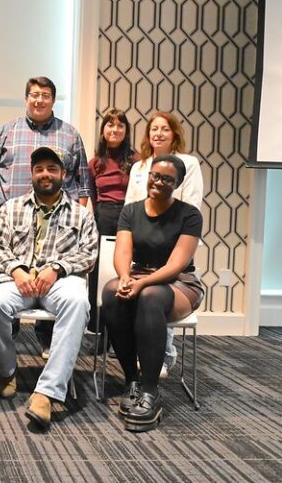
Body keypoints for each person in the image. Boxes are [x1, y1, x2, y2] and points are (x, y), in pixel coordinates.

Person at [0, 147, 97, 429]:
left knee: (78, 301)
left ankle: (47, 392)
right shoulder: (10, 208)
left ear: (63, 174)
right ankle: (7, 371)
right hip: (16, 281)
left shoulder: (81, 214)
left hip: (60, 282)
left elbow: (89, 253)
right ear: (32, 174)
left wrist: (56, 269)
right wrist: (16, 271)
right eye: (40, 169)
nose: (45, 174)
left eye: (52, 169)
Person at [0, 76, 91, 358]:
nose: (39, 100)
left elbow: (82, 180)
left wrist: (78, 214)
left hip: (58, 221)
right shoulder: (6, 130)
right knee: (10, 281)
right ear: (26, 98)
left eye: (45, 95)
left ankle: (48, 340)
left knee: (51, 283)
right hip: (10, 217)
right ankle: (5, 338)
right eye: (34, 94)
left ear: (53, 100)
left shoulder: (70, 135)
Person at [101, 154, 204, 432]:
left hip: (179, 282)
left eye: (167, 179)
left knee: (150, 297)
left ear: (178, 183)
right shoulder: (131, 211)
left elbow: (176, 264)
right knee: (111, 293)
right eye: (155, 176)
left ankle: (150, 391)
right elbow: (122, 252)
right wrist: (124, 278)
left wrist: (142, 284)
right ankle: (131, 381)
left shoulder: (189, 215)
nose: (158, 182)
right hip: (140, 276)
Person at [124, 112, 204, 377]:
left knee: (156, 292)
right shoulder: (139, 165)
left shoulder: (188, 163)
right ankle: (141, 356)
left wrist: (167, 226)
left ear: (174, 134)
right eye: (153, 129)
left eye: (165, 129)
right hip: (144, 242)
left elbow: (191, 201)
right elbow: (131, 205)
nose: (158, 133)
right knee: (130, 291)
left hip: (174, 237)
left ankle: (163, 355)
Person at [87, 109, 139, 324]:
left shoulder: (137, 161)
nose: (115, 130)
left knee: (126, 270)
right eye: (110, 125)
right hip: (103, 219)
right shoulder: (95, 163)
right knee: (99, 273)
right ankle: (98, 328)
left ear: (126, 131)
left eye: (120, 126)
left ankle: (125, 324)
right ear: (103, 130)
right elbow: (92, 196)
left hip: (129, 217)